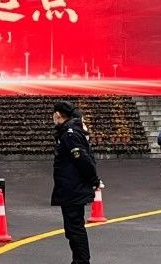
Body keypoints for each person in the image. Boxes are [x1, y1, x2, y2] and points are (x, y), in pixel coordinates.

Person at [52, 101, 101, 264]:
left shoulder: (69, 134)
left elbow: (83, 160)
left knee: (75, 229)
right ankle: (79, 260)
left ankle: (81, 261)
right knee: (72, 229)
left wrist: (94, 180)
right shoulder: (69, 132)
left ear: (58, 115)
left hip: (73, 187)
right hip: (71, 186)